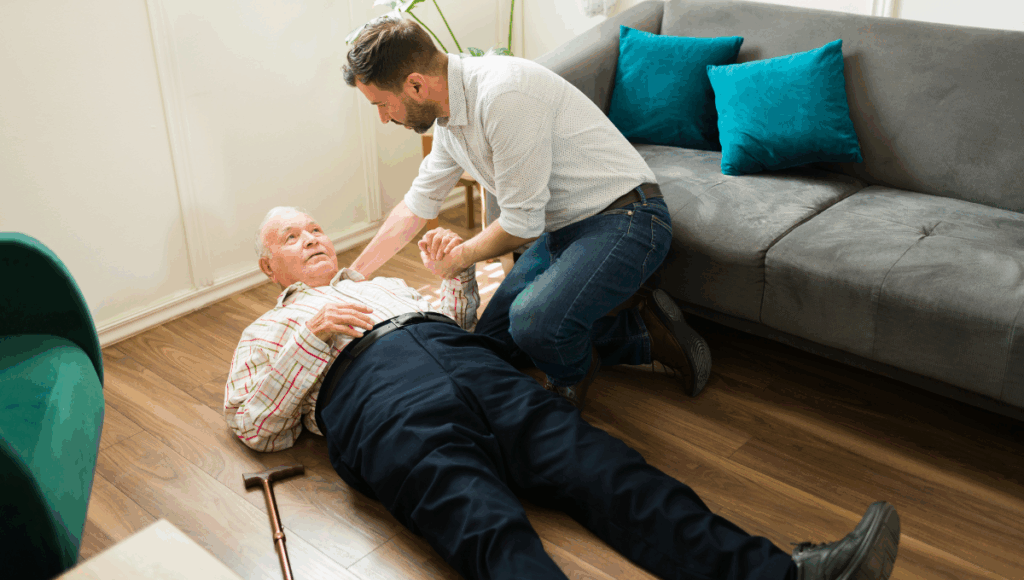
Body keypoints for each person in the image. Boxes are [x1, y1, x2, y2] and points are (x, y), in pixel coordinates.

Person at [223, 206, 902, 580]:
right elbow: (254, 423)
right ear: (268, 265)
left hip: (473, 364)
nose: (312, 236)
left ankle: (786, 578)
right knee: (484, 528)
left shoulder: (381, 284)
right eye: (292, 235)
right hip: (378, 399)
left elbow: (460, 322)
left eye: (316, 227)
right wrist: (312, 337)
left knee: (610, 471)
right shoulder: (266, 329)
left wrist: (453, 275)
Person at [341, 16, 711, 409]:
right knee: (492, 348)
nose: (383, 118)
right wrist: (348, 278)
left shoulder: (503, 95)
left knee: (534, 323)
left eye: (382, 104)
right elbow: (416, 205)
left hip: (628, 218)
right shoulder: (449, 122)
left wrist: (460, 257)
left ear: (415, 84)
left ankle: (570, 378)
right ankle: (643, 334)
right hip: (566, 230)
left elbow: (521, 224)